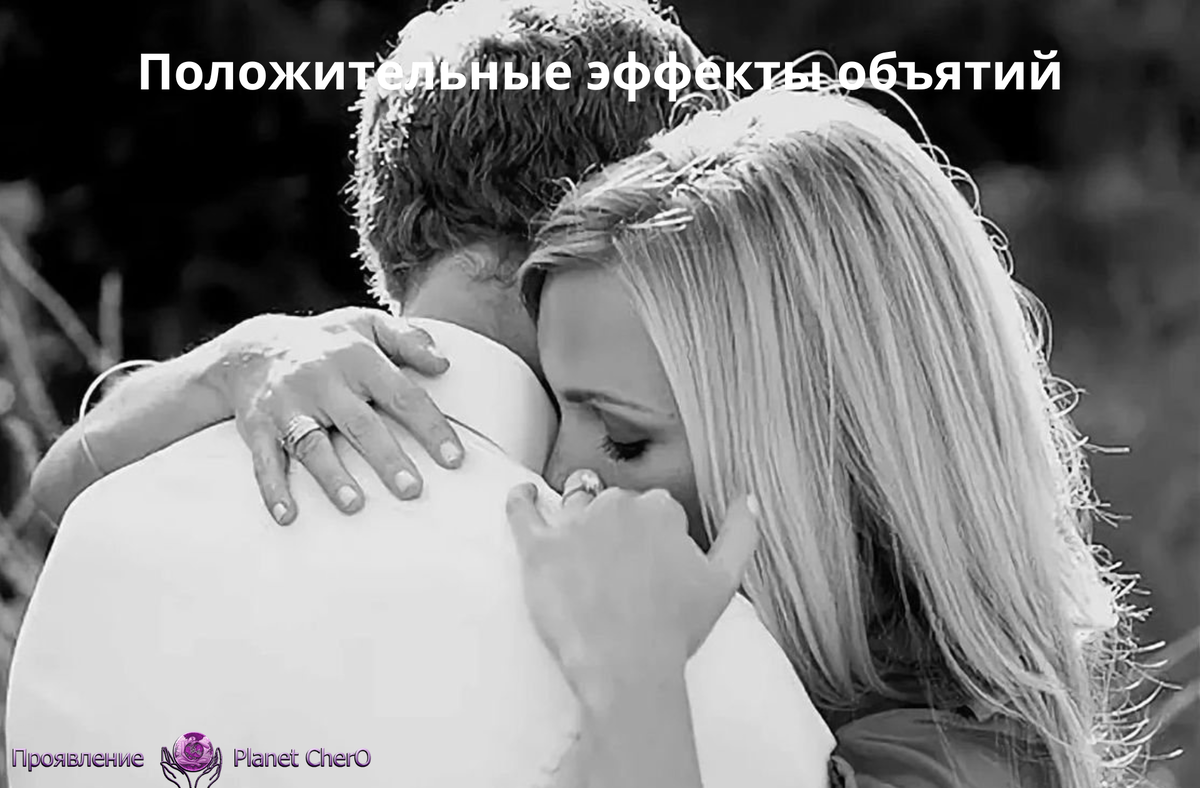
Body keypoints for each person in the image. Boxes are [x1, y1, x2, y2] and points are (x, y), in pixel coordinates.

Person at [8, 1, 836, 787]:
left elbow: (56, 487)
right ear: (642, 226)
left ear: (378, 223)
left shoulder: (108, 525)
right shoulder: (702, 670)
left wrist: (231, 358)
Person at [503, 87, 1139, 787]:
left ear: (822, 460)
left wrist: (631, 679)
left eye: (623, 438)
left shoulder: (956, 766)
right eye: (547, 407)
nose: (551, 472)